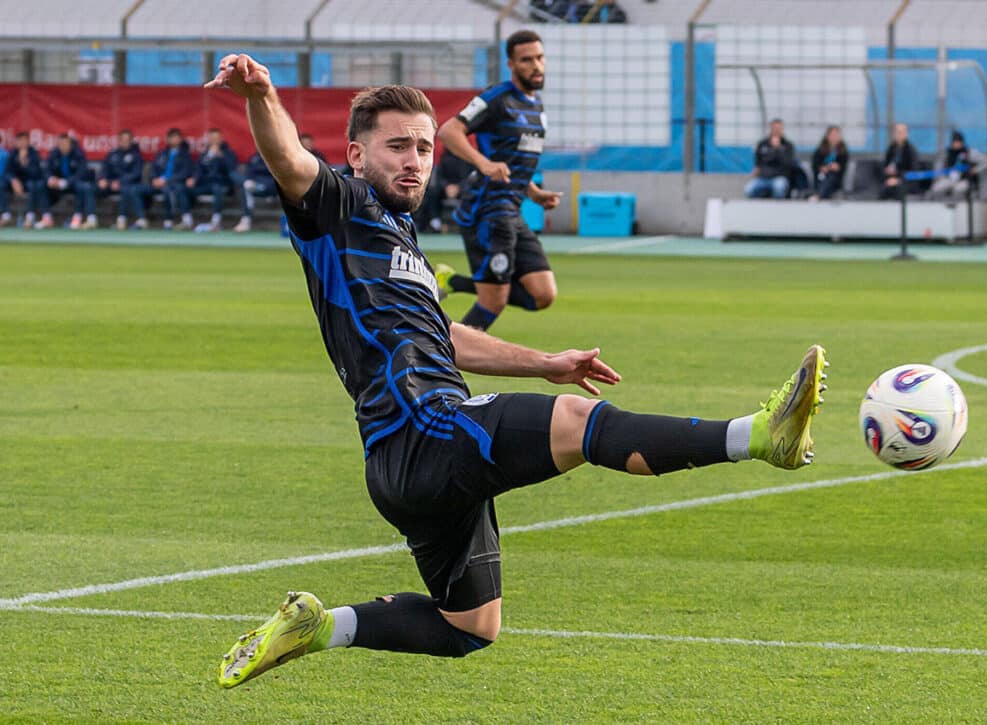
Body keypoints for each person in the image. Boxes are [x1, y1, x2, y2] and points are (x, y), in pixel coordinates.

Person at [204, 53, 828, 689]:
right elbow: (290, 161)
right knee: (582, 424)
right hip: (425, 430)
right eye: (397, 146)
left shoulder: (398, 235)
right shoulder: (339, 207)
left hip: (402, 462)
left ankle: (321, 626)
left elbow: (447, 337)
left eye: (424, 147)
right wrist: (261, 94)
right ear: (357, 156)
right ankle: (757, 436)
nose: (415, 160)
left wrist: (545, 363)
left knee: (471, 625)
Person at [434, 29, 563, 331]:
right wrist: (483, 162)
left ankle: (451, 282)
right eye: (527, 60)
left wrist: (533, 192)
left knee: (543, 294)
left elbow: (514, 160)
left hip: (512, 209)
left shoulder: (536, 105)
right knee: (493, 301)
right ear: (511, 64)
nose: (536, 65)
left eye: (540, 58)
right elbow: (449, 131)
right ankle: (448, 355)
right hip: (487, 210)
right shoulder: (496, 98)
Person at [43, 134, 97, 230]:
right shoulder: (54, 153)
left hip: (73, 183)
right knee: (42, 186)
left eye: (65, 143)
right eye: (61, 144)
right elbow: (47, 170)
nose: (63, 146)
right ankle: (47, 218)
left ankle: (78, 217)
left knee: (82, 187)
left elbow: (81, 173)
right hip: (57, 185)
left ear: (70, 144)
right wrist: (51, 179)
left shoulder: (78, 153)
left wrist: (66, 182)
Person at [416, 147, 474, 233]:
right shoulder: (445, 158)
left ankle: (467, 222)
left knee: (471, 194)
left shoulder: (466, 159)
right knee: (432, 193)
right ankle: (435, 222)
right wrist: (446, 186)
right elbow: (440, 177)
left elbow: (469, 178)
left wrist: (458, 187)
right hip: (445, 189)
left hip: (462, 189)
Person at [191, 128, 239, 232]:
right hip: (206, 184)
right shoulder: (204, 154)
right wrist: (193, 179)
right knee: (184, 189)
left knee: (217, 189)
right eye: (212, 138)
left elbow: (231, 170)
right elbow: (199, 170)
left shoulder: (228, 153)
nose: (214, 140)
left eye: (217, 138)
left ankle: (216, 221)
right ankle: (187, 220)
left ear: (221, 139)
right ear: (208, 139)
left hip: (223, 184)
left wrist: (221, 156)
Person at [98, 129, 146, 230]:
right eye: (122, 140)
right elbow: (104, 169)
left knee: (127, 189)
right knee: (88, 187)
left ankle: (122, 219)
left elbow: (136, 174)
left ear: (131, 141)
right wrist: (102, 179)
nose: (124, 142)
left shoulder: (136, 155)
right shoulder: (112, 154)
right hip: (110, 184)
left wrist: (120, 182)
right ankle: (90, 219)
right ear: (119, 141)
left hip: (129, 184)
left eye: (127, 140)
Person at [149, 127, 195, 230]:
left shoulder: (185, 154)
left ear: (180, 139)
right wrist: (153, 179)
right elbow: (153, 169)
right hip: (159, 182)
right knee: (134, 189)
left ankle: (182, 219)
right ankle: (141, 219)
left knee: (175, 189)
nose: (174, 140)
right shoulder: (161, 153)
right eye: (172, 137)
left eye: (176, 137)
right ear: (168, 139)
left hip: (176, 182)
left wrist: (167, 180)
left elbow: (185, 172)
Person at [744, 119, 795, 199]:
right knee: (748, 190)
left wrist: (778, 149)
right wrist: (757, 169)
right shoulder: (762, 144)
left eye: (779, 128)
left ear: (782, 129)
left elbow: (788, 163)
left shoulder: (788, 145)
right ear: (771, 129)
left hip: (779, 177)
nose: (776, 130)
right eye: (774, 128)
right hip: (763, 177)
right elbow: (758, 162)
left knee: (779, 188)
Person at [927, 130, 980, 201]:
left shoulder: (968, 152)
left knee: (958, 189)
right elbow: (939, 167)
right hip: (948, 178)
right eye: (955, 142)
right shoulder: (947, 153)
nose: (957, 144)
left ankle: (955, 205)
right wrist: (941, 176)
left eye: (959, 142)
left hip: (963, 180)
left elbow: (984, 162)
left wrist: (974, 170)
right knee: (937, 188)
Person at [8, 132, 46, 229]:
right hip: (16, 183)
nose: (21, 143)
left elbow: (36, 173)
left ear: (28, 141)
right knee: (2, 184)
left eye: (24, 140)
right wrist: (13, 180)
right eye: (19, 141)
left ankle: (30, 216)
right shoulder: (13, 153)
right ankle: (5, 215)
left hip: (29, 181)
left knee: (34, 185)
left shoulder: (33, 153)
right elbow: (8, 171)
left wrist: (24, 163)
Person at [232, 151, 276, 233]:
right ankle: (246, 218)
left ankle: (247, 217)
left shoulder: (273, 156)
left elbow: (274, 176)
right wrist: (251, 181)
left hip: (269, 187)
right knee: (245, 187)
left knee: (247, 187)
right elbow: (250, 173)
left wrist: (263, 184)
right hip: (256, 185)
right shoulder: (255, 157)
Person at [879, 123, 919, 201]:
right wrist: (887, 172)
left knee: (898, 190)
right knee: (882, 190)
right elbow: (885, 166)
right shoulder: (891, 148)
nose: (899, 135)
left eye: (901, 132)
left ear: (906, 134)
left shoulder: (911, 151)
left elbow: (914, 172)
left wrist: (898, 180)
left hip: (907, 182)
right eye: (897, 132)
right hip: (891, 180)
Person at [808, 126, 848, 201]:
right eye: (832, 135)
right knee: (825, 177)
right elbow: (815, 165)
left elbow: (843, 168)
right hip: (821, 177)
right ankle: (820, 194)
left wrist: (836, 167)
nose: (834, 137)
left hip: (835, 180)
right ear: (827, 136)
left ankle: (819, 195)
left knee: (832, 175)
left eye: (836, 135)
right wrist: (823, 168)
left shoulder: (843, 152)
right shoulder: (820, 150)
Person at [0, 140, 11, 226]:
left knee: (1, 185)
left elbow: (6, 172)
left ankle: (5, 214)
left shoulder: (4, 155)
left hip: (3, 180)